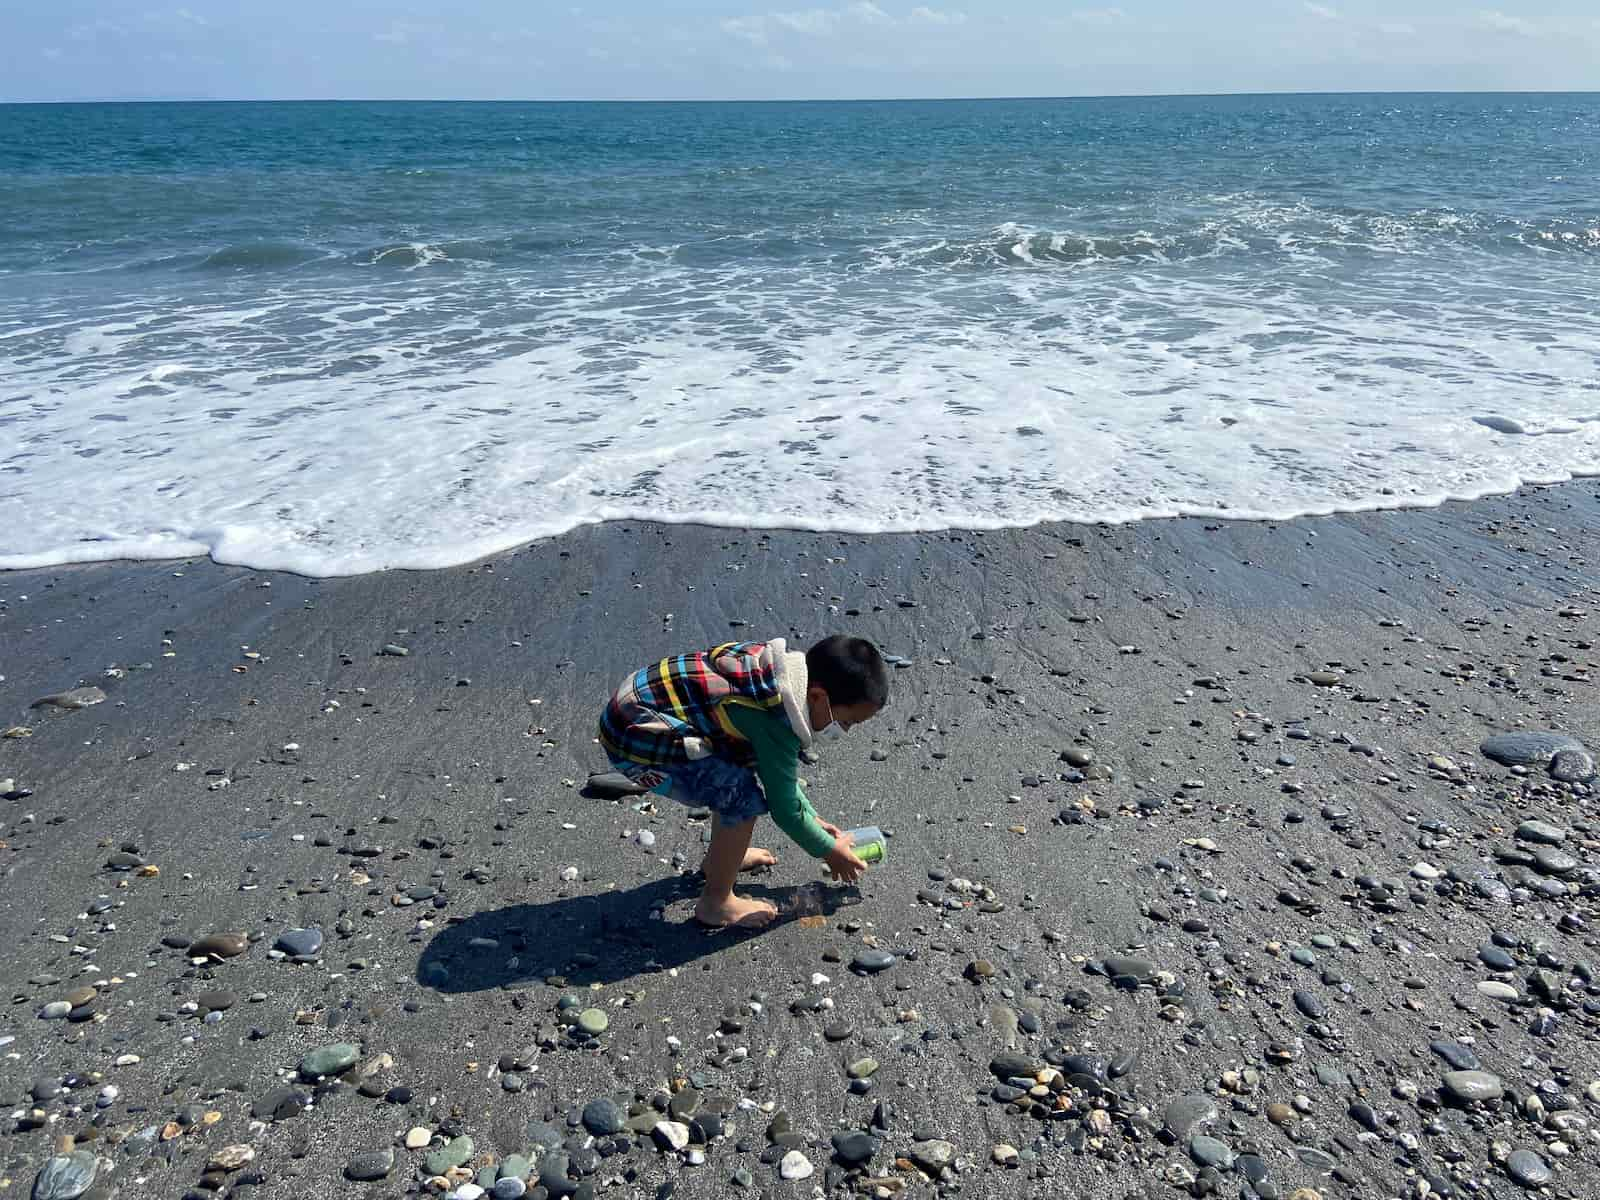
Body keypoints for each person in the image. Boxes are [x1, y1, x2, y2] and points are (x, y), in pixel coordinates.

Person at [598, 635, 889, 928]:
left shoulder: (772, 677)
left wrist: (814, 820)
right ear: (816, 697)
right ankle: (716, 902)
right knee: (741, 799)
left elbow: (780, 782)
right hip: (635, 739)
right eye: (847, 722)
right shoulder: (776, 722)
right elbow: (784, 809)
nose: (845, 732)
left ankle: (720, 860)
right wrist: (828, 850)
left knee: (732, 771)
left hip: (635, 704)